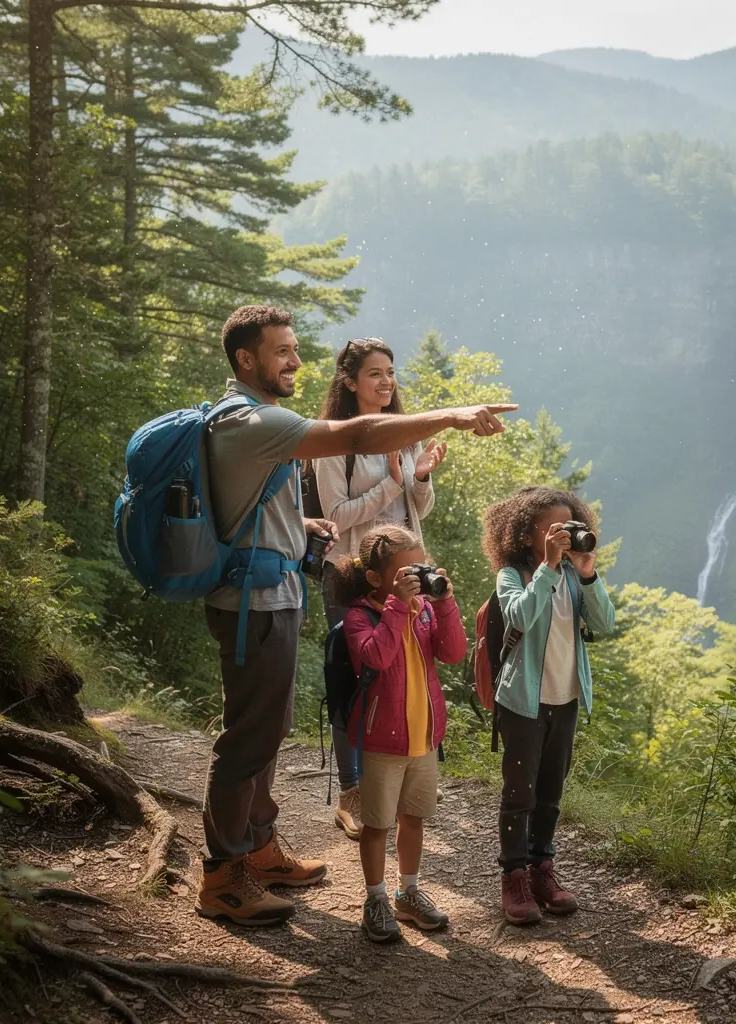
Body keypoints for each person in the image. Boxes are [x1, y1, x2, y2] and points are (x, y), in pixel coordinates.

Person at [197, 305, 514, 927]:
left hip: (274, 592)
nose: (296, 360)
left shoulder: (254, 418)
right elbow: (360, 435)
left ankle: (257, 848)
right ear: (246, 358)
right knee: (249, 737)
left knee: (269, 728)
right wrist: (454, 414)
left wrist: (302, 525)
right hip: (253, 604)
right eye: (282, 350)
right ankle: (223, 877)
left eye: (294, 348)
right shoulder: (251, 418)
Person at [313, 338, 448, 841]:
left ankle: (399, 777)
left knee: (405, 670)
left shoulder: (403, 435)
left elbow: (418, 510)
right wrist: (392, 482)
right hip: (351, 576)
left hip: (404, 575)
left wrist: (420, 478)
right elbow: (336, 515)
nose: (386, 381)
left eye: (390, 371)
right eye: (374, 373)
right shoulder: (334, 442)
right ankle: (352, 791)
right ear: (350, 382)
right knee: (356, 680)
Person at [481, 486, 615, 926]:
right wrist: (548, 569)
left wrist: (588, 573)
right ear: (526, 536)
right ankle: (513, 876)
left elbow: (604, 623)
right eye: (554, 529)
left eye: (570, 527)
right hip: (524, 700)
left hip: (566, 696)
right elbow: (520, 616)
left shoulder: (576, 577)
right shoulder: (512, 576)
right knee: (520, 793)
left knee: (551, 793)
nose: (564, 536)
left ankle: (542, 868)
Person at [333, 525, 467, 943]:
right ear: (376, 578)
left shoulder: (424, 610)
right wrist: (397, 606)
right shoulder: (360, 615)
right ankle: (375, 898)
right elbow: (375, 658)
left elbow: (453, 652)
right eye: (406, 573)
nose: (417, 579)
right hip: (381, 742)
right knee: (376, 825)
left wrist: (444, 604)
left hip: (423, 738)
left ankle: (408, 893)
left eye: (420, 569)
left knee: (413, 818)